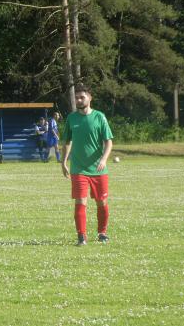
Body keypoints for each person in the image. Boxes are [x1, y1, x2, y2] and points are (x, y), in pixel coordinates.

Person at [61, 84, 114, 246]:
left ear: (90, 98)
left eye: (81, 97)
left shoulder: (99, 117)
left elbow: (108, 142)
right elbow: (67, 142)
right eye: (76, 97)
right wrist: (63, 162)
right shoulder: (71, 118)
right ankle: (81, 236)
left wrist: (104, 159)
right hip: (79, 169)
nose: (78, 100)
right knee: (80, 202)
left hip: (99, 169)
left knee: (102, 203)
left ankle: (102, 233)